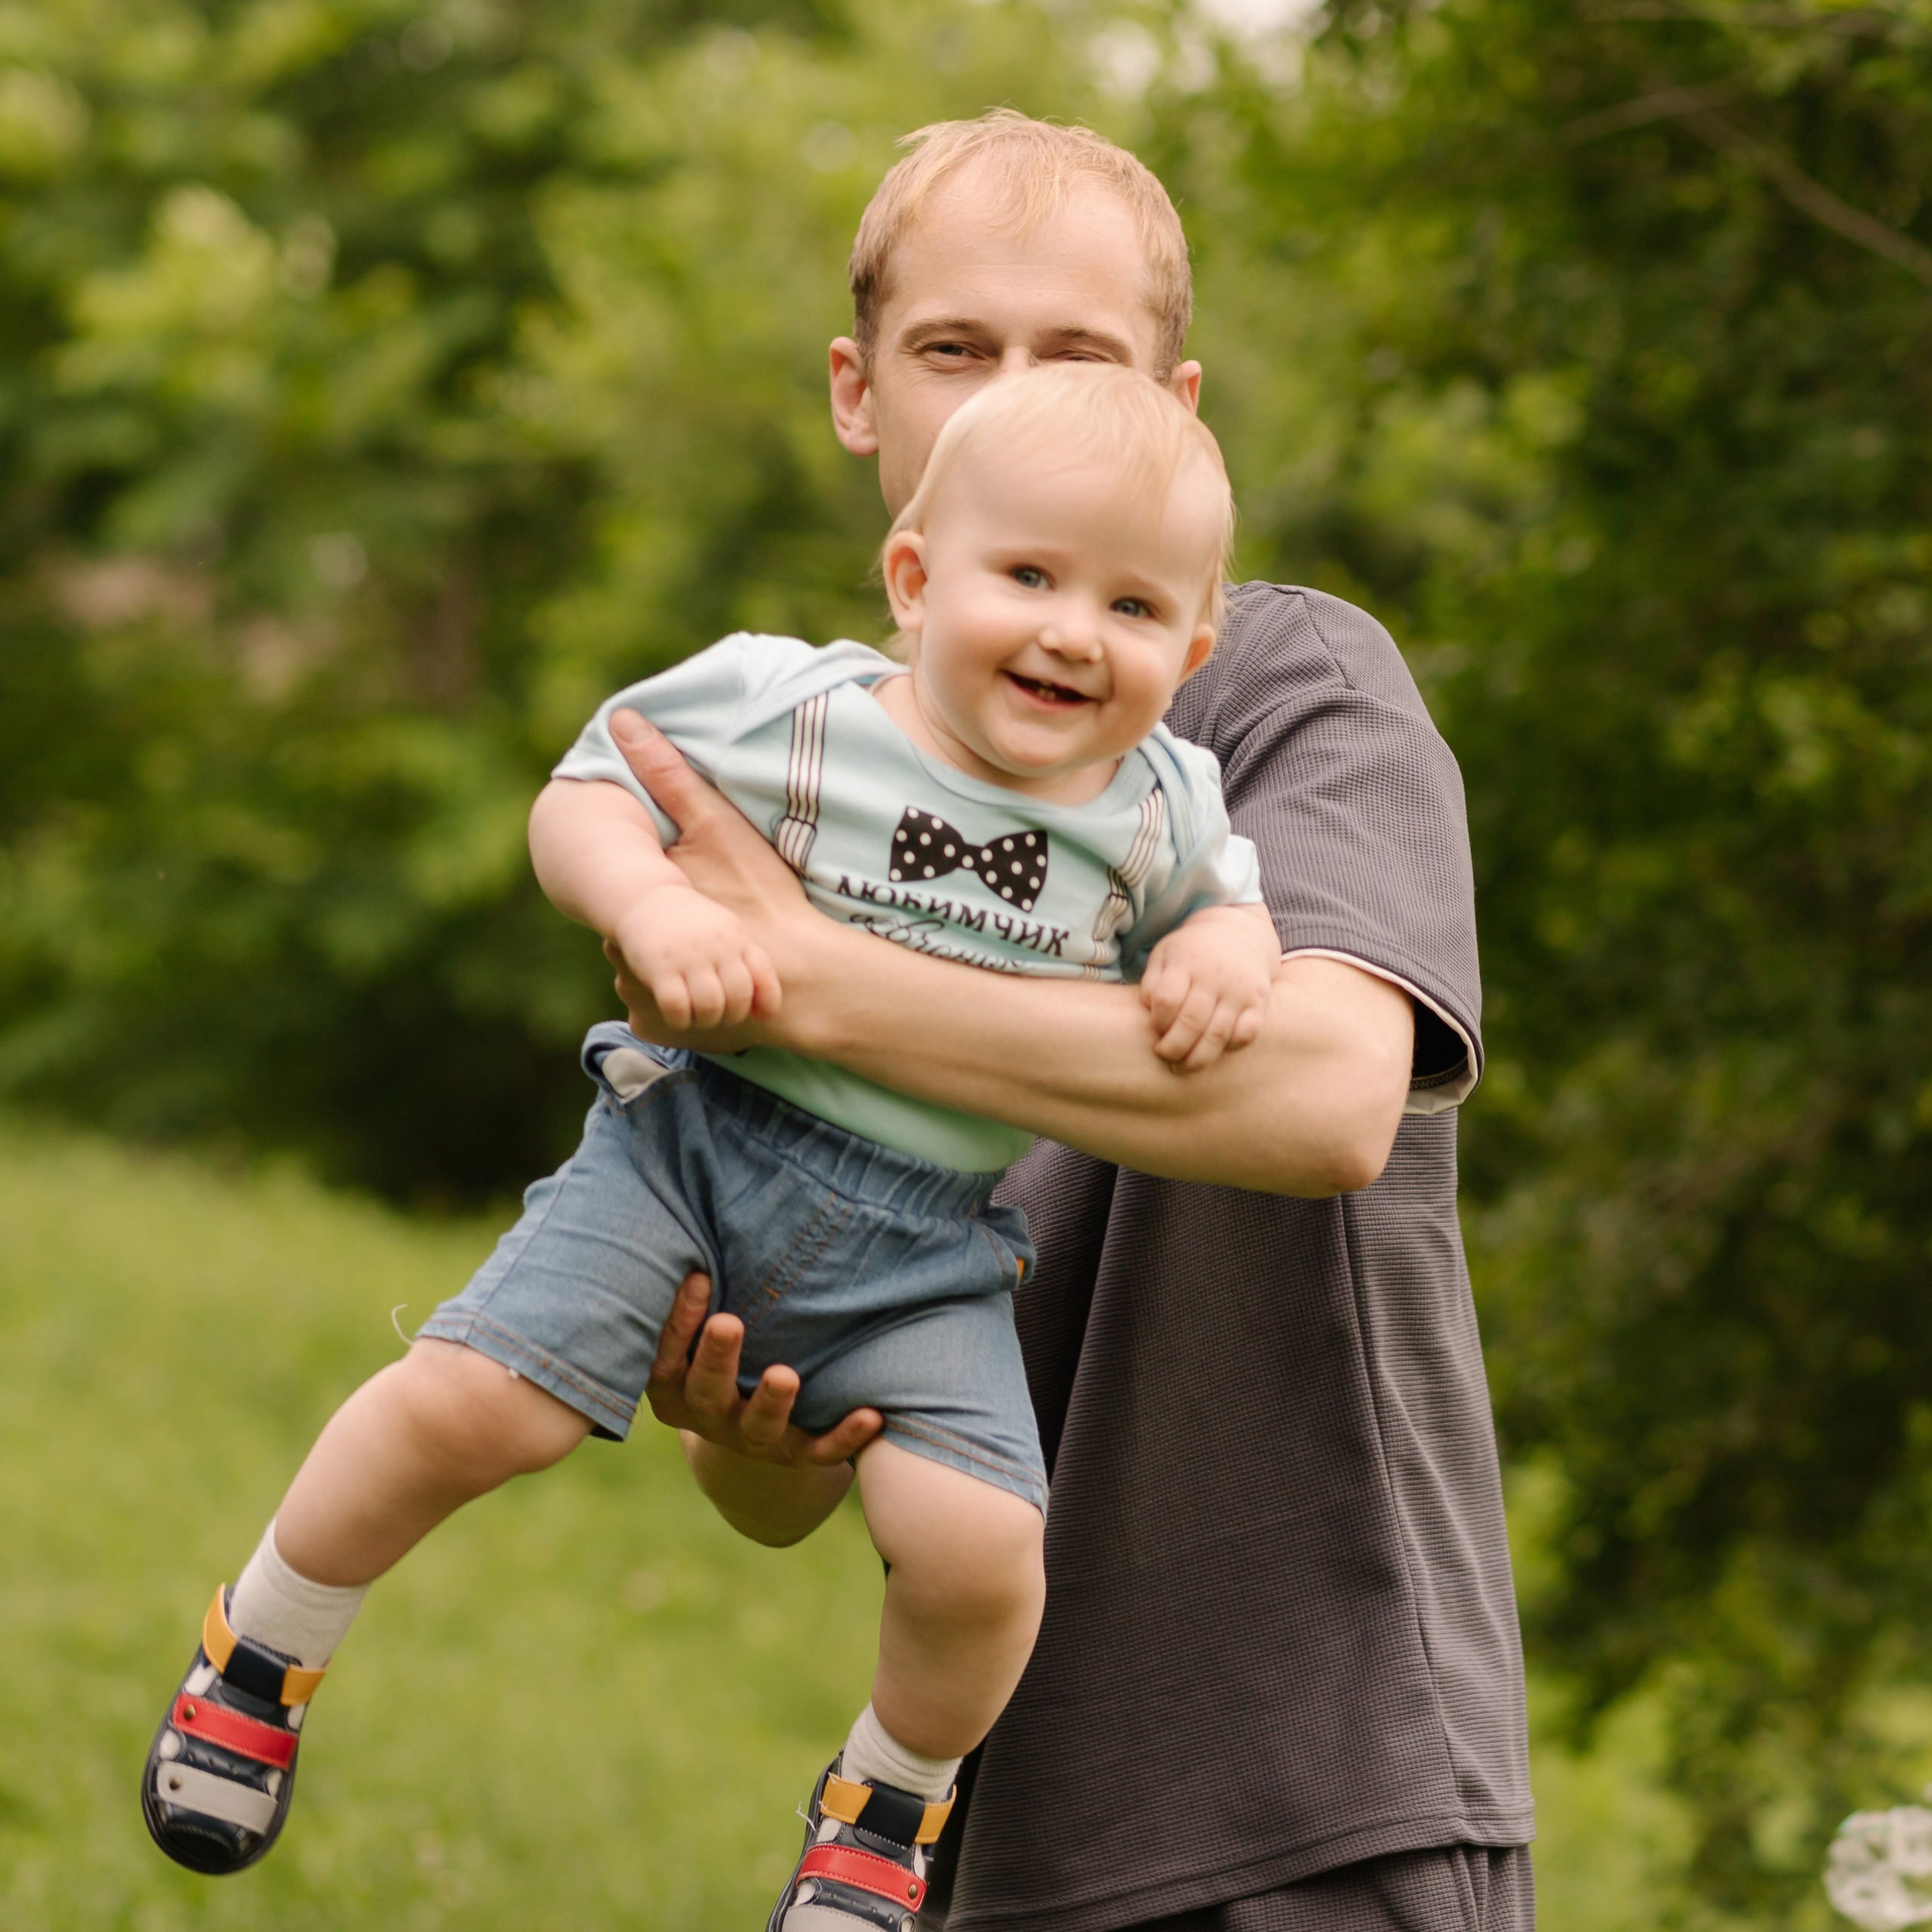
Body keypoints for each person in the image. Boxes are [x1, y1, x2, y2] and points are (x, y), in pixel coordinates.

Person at [138, 359, 1283, 1932]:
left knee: (982, 1544)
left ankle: (885, 1800)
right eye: (1026, 576)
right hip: (690, 1147)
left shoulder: (1160, 809)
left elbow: (1228, 909)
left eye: (1135, 607)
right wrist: (653, 899)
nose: (1074, 630)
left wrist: (1227, 951)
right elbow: (583, 793)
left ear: (1194, 647)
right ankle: (263, 1640)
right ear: (912, 574)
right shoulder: (788, 701)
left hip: (934, 1237)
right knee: (477, 1402)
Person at [615, 112, 1534, 1932]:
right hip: (985, 1828)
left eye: (1075, 354)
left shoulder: (1272, 682)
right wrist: (748, 1417)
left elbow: (1329, 1092)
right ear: (856, 393)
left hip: (1312, 1787)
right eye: (951, 347)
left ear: (1177, 404)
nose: (997, 400)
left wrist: (804, 978)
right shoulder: (788, 777)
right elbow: (772, 1498)